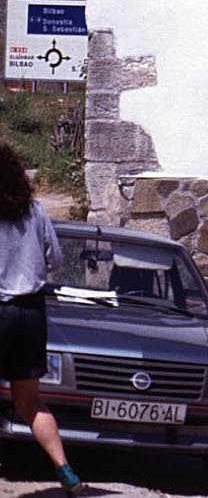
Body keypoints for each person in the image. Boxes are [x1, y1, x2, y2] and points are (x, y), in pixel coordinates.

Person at [0, 143, 83, 495]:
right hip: (32, 312)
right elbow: (56, 259)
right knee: (29, 401)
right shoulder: (36, 211)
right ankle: (66, 471)